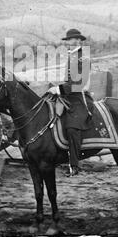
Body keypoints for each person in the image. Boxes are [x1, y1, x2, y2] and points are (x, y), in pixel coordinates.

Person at [48, 29, 93, 177]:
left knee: (72, 128)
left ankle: (74, 165)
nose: (67, 42)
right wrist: (57, 87)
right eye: (67, 40)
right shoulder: (71, 56)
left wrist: (59, 89)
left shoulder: (83, 58)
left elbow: (79, 84)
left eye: (70, 40)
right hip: (69, 95)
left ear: (78, 40)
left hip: (79, 98)